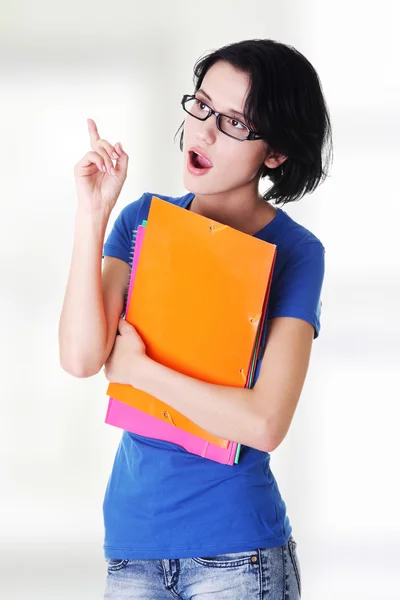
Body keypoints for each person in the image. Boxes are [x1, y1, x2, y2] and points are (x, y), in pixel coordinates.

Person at [58, 38, 332, 599]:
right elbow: (83, 357)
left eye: (234, 123)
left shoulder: (296, 252)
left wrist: (138, 369)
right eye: (202, 106)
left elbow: (263, 424)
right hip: (133, 546)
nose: (203, 131)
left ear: (274, 153)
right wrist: (93, 213)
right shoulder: (141, 222)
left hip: (238, 554)